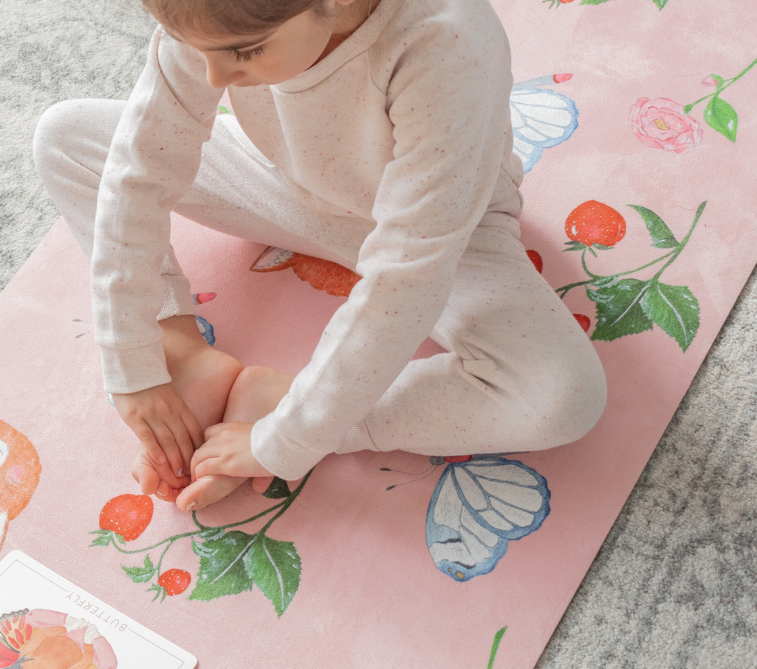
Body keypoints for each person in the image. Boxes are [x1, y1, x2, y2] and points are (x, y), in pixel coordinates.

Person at [33, 0, 606, 511]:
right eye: (196, 50)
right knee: (65, 137)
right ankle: (183, 351)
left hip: (450, 235)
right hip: (292, 187)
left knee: (562, 395)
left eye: (244, 53)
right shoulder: (214, 18)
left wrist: (288, 435)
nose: (213, 77)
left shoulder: (447, 39)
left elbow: (405, 276)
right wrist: (135, 359)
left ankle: (286, 400)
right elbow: (140, 173)